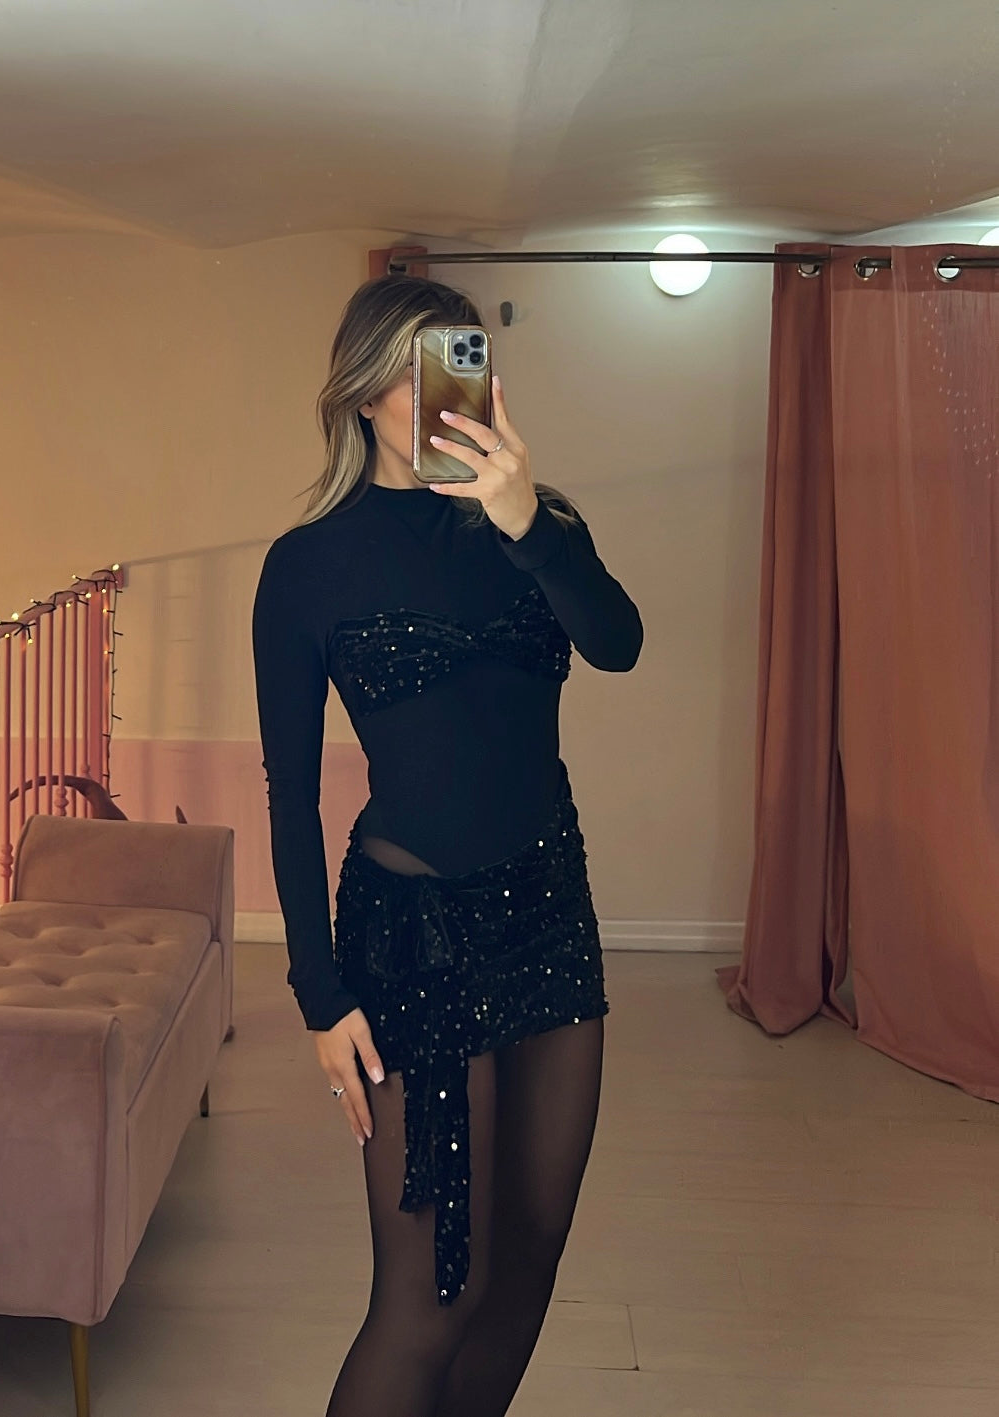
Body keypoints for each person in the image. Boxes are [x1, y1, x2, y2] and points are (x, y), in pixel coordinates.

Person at [252, 274, 643, 1417]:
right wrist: (320, 996)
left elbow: (618, 641)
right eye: (415, 370)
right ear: (363, 391)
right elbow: (289, 797)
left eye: (458, 365)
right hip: (411, 935)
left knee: (529, 1256)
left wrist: (529, 526)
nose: (439, 396)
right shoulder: (308, 564)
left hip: (549, 913)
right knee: (430, 1296)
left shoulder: (539, 524)